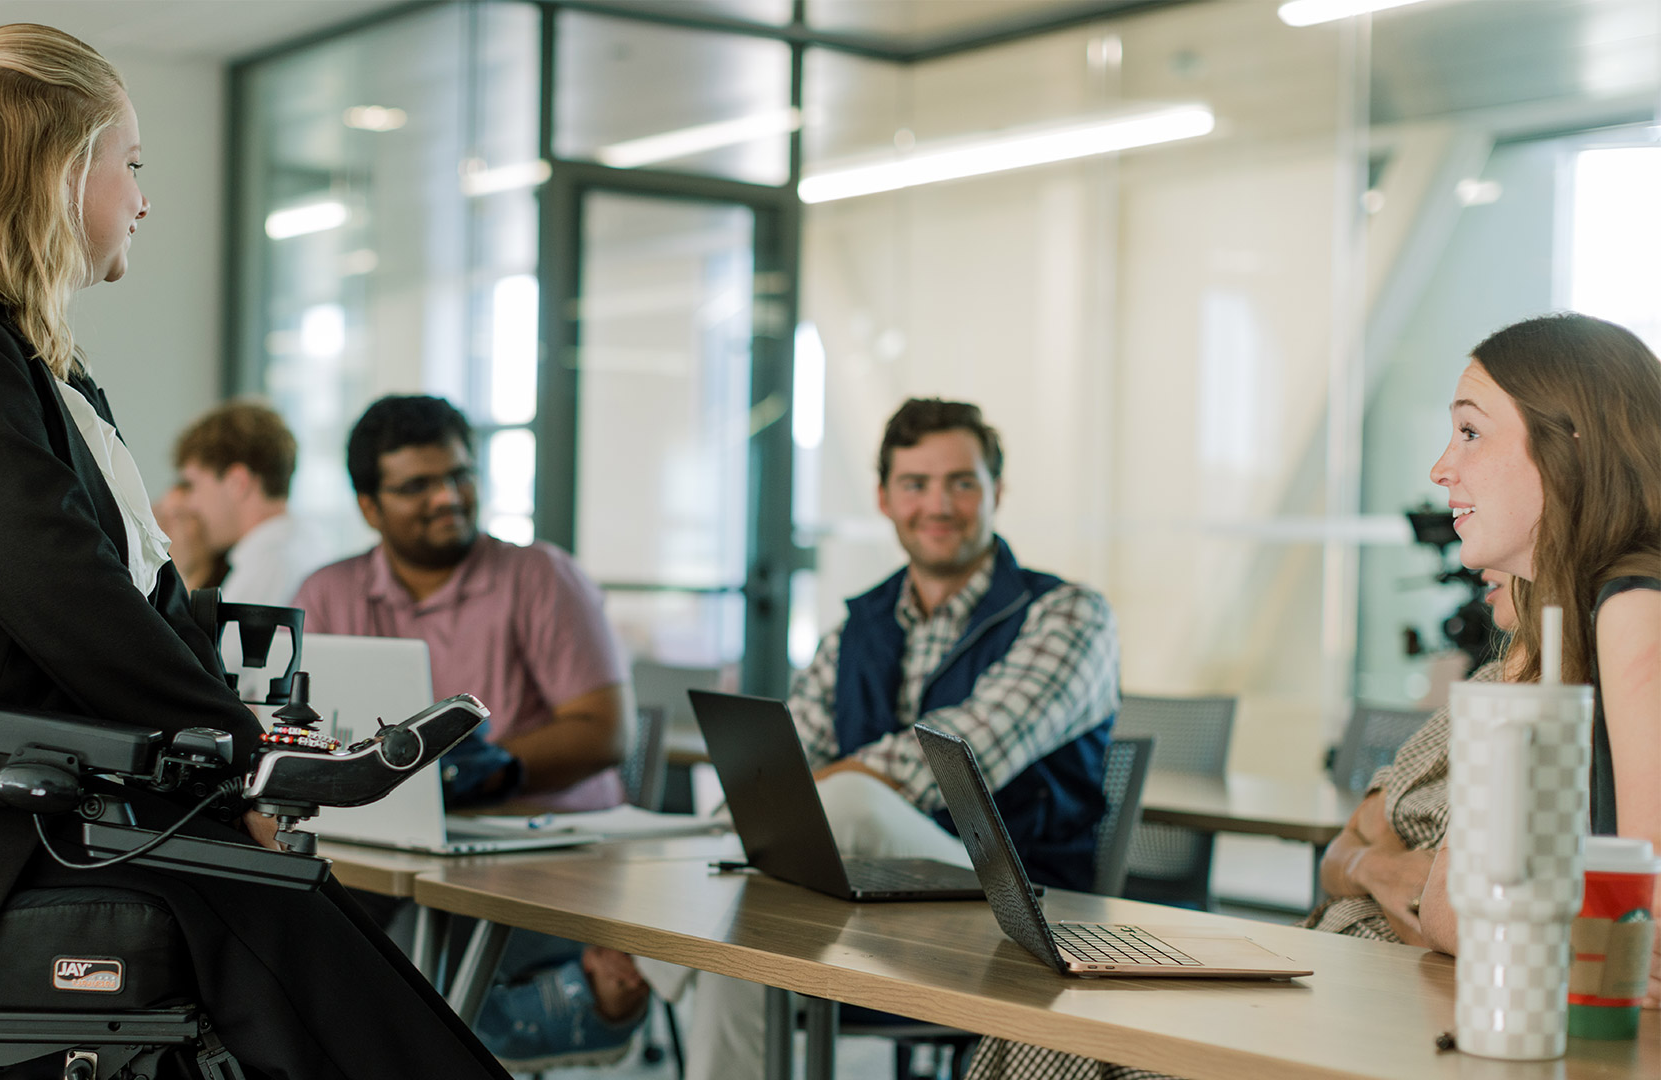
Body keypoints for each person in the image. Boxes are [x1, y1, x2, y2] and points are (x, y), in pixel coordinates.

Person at [0, 25, 507, 1079]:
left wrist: (244, 731)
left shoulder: (24, 359)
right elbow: (72, 603)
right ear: (61, 172)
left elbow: (128, 595)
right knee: (261, 905)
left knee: (279, 903)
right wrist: (237, 759)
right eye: (131, 165)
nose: (144, 199)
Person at [688, 397, 1122, 1080]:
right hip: (871, 899)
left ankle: (635, 963)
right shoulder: (858, 627)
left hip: (1020, 912)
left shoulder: (1067, 616)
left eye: (962, 483)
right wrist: (752, 816)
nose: (938, 505)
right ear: (885, 499)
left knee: (838, 809)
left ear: (997, 492)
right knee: (742, 918)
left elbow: (948, 762)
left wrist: (764, 815)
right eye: (915, 484)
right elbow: (785, 763)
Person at [962, 571, 1520, 1080]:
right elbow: (1340, 854)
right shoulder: (1489, 685)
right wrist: (1378, 865)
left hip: (1381, 1007)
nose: (1479, 573)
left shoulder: (1541, 718)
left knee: (1070, 1038)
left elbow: (1438, 910)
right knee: (1043, 1025)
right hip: (1319, 968)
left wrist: (1374, 860)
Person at [292, 394, 645, 1068]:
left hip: (539, 858)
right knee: (308, 963)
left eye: (459, 475)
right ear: (369, 506)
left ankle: (570, 1010)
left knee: (420, 997)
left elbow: (606, 732)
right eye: (416, 485)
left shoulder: (541, 577)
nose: (447, 497)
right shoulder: (326, 593)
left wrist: (497, 767)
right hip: (391, 853)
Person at [1414, 312, 1661, 1008]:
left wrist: (1573, 936)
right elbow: (1448, 910)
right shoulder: (1546, 628)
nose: (1441, 468)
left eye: (1470, 431)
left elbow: (1641, 927)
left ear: (1569, 447)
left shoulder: (1637, 606)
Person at [171, 400, 323, 605]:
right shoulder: (303, 544)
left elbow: (212, 639)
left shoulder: (267, 566)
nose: (189, 504)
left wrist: (183, 572)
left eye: (192, 485)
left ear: (237, 482)